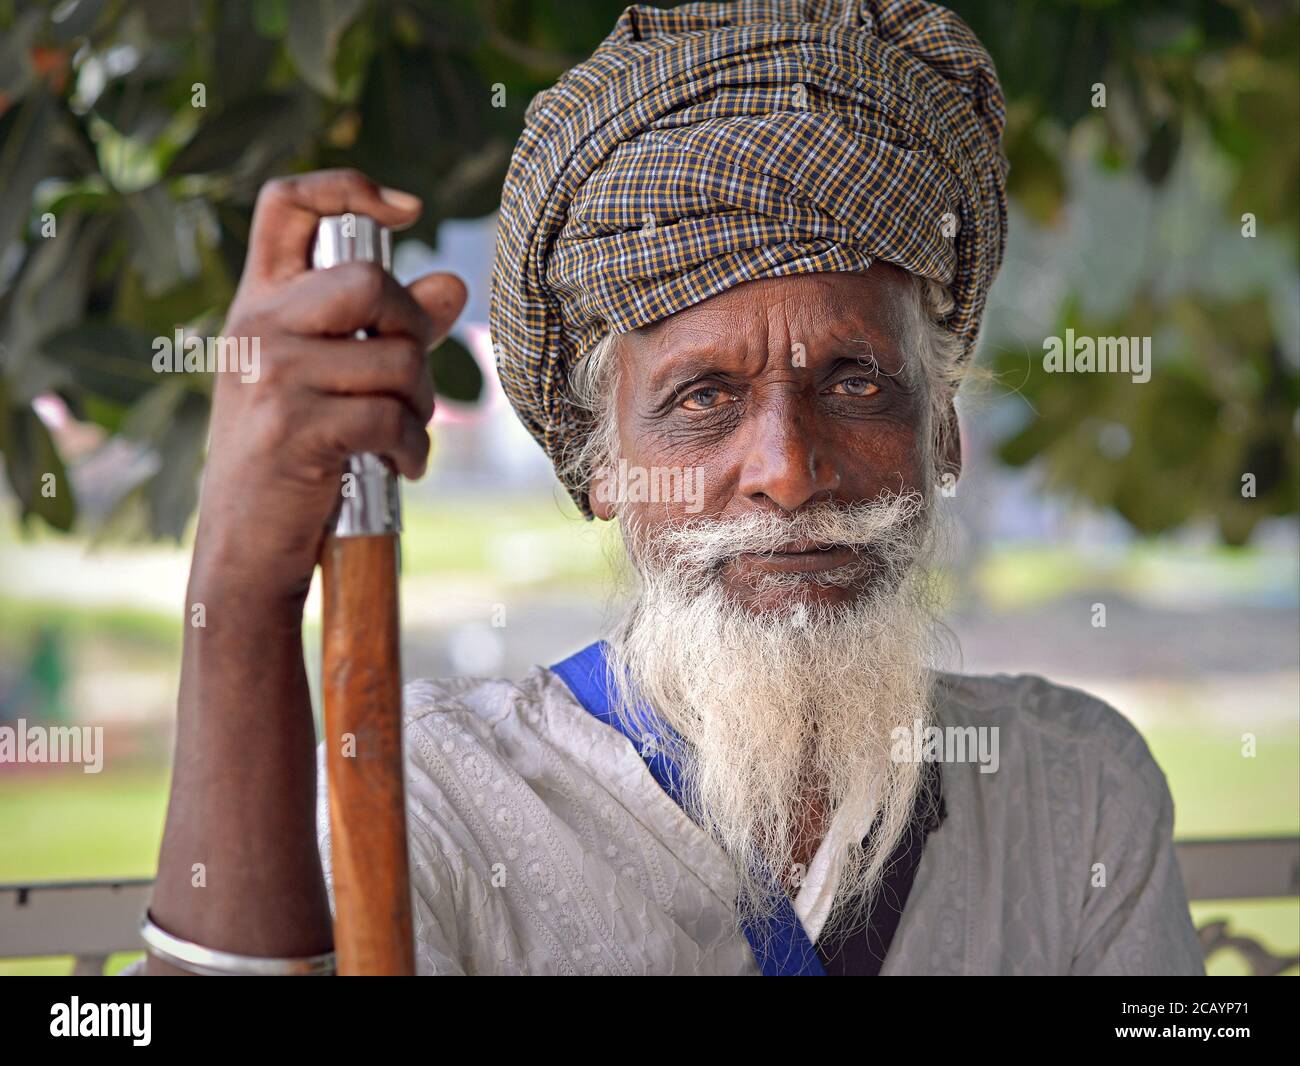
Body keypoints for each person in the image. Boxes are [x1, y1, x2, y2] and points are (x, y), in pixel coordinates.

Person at [142, 0, 1204, 975]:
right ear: (599, 465)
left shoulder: (1076, 791)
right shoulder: (431, 798)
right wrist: (241, 593)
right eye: (702, 397)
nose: (788, 472)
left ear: (942, 434)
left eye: (855, 380)